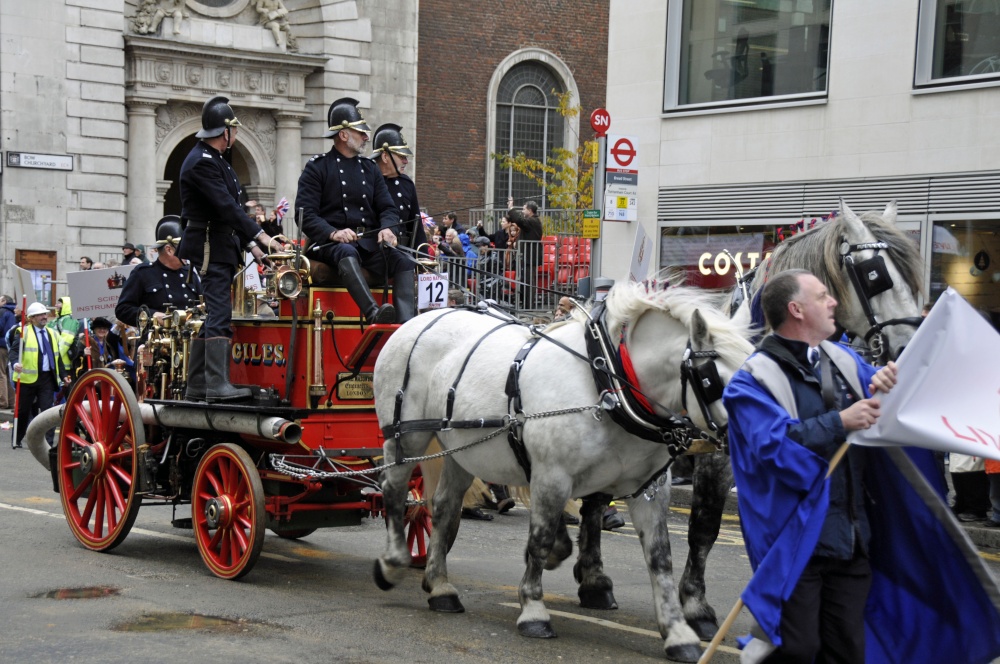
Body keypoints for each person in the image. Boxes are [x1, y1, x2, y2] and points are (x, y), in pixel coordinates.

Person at [722, 269, 900, 662]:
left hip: (852, 538)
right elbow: (773, 448)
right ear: (796, 309)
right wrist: (841, 421)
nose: (834, 301)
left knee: (848, 651)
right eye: (823, 296)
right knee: (797, 650)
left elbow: (884, 410)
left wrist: (888, 382)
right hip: (795, 542)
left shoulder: (847, 361)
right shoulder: (749, 383)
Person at [177, 95, 283, 403]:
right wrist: (262, 237)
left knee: (215, 313)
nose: (235, 135)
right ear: (225, 132)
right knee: (220, 311)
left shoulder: (214, 160)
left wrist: (253, 246)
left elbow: (230, 210)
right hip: (210, 244)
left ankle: (198, 383)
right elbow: (227, 209)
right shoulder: (201, 162)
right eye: (233, 130)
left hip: (220, 241)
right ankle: (216, 384)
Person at [297, 97, 415, 325]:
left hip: (367, 244)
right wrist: (333, 233)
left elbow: (388, 208)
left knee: (404, 260)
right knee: (346, 252)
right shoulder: (318, 167)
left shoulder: (369, 169)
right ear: (343, 134)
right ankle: (373, 312)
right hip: (330, 245)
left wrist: (388, 228)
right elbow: (305, 214)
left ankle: (405, 326)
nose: (366, 137)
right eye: (360, 132)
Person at [116, 216, 204, 326]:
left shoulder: (189, 274)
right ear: (169, 250)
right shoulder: (142, 273)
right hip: (156, 340)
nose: (189, 253)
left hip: (188, 339)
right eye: (184, 248)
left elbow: (203, 306)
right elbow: (123, 309)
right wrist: (151, 315)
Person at [10, 302, 70, 449]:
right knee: (23, 411)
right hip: (27, 379)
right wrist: (14, 364)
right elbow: (13, 352)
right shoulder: (22, 332)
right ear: (31, 318)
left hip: (47, 379)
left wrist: (63, 375)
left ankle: (48, 444)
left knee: (47, 412)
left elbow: (58, 358)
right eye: (40, 315)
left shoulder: (53, 333)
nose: (44, 317)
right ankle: (17, 439)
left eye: (45, 314)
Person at [370, 123, 427, 252]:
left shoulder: (406, 184)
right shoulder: (367, 181)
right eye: (401, 157)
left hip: (402, 253)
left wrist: (423, 260)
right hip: (372, 253)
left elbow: (416, 227)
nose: (406, 161)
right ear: (385, 156)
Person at [0, 295, 16, 409]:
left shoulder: (2, 311)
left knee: (1, 374)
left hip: (1, 346)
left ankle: (2, 402)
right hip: (10, 347)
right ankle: (11, 401)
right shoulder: (13, 312)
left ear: (4, 301)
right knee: (7, 373)